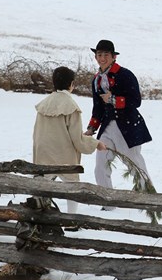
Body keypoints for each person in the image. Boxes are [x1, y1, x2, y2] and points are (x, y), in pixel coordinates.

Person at [84, 40, 152, 205]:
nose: (102, 58)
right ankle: (107, 200)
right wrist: (92, 127)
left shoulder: (125, 75)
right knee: (100, 165)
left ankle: (149, 199)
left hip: (127, 127)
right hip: (107, 128)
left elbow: (136, 101)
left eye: (105, 55)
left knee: (135, 164)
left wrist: (113, 99)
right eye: (99, 55)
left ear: (113, 57)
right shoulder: (96, 80)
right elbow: (98, 107)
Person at [33, 66, 106, 214]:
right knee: (72, 186)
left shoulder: (44, 104)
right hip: (63, 155)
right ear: (71, 84)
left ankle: (37, 216)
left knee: (41, 185)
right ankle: (71, 219)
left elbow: (37, 132)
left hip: (43, 152)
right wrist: (96, 143)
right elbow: (77, 140)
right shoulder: (71, 106)